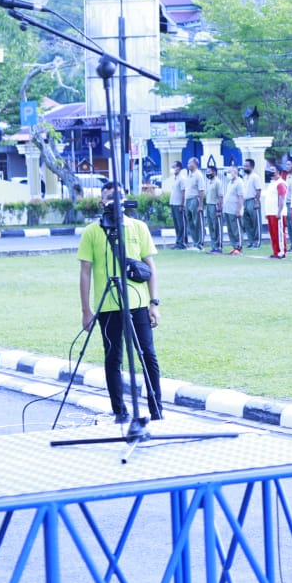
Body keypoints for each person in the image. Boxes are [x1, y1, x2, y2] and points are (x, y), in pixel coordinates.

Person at [78, 181, 163, 423]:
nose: (116, 202)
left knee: (147, 354)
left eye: (120, 197)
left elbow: (150, 266)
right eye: (110, 197)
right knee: (113, 357)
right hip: (108, 306)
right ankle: (120, 412)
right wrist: (86, 310)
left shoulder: (138, 227)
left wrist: (154, 303)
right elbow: (85, 271)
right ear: (101, 202)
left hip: (138, 303)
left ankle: (156, 410)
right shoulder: (92, 232)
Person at [263, 165, 287, 258]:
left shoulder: (280, 183)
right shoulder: (272, 183)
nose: (270, 171)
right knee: (273, 233)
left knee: (279, 232)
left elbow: (281, 198)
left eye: (272, 170)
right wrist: (267, 212)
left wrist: (279, 211)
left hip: (277, 212)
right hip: (271, 212)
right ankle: (275, 251)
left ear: (278, 171)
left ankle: (281, 251)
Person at [221, 165, 244, 255]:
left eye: (230, 172)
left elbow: (241, 197)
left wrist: (239, 209)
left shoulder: (239, 182)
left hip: (235, 210)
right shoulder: (230, 182)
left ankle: (239, 247)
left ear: (235, 172)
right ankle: (234, 246)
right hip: (228, 210)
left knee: (236, 229)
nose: (228, 174)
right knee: (230, 230)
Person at [241, 158, 263, 250]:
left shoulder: (255, 177)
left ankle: (257, 242)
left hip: (253, 200)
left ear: (252, 166)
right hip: (245, 201)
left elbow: (258, 190)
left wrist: (257, 202)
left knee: (255, 223)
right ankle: (251, 241)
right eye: (244, 165)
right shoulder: (245, 177)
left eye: (247, 166)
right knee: (247, 223)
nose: (244, 167)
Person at [166, 159, 188, 248]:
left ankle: (182, 242)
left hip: (179, 204)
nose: (172, 168)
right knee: (176, 224)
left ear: (178, 168)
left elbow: (183, 192)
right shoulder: (175, 179)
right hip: (173, 204)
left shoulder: (182, 179)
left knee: (181, 224)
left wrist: (182, 205)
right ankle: (178, 242)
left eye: (174, 167)